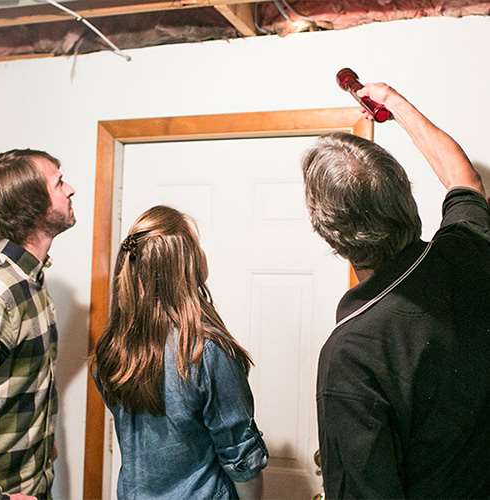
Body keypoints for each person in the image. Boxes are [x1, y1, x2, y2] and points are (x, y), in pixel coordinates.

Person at [302, 82, 490, 499]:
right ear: (407, 197)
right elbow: (464, 178)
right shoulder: (468, 246)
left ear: (330, 235)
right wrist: (393, 101)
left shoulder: (350, 352)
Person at [92, 205, 268, 500]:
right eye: (196, 245)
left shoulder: (112, 349)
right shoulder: (205, 352)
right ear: (185, 263)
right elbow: (242, 460)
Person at [0, 149, 76, 500]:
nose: (70, 189)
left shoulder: (32, 280)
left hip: (36, 484)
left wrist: (42, 442)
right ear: (32, 207)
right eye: (58, 183)